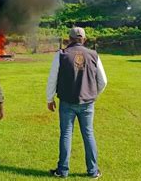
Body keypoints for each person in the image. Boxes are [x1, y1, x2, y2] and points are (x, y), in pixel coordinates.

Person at [46, 27, 107, 179]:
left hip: (67, 102)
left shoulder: (61, 54)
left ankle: (63, 170)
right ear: (84, 39)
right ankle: (92, 171)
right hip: (87, 102)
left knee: (66, 135)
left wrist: (49, 99)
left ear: (69, 38)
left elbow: (52, 79)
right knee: (88, 134)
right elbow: (103, 81)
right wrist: (94, 94)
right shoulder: (93, 54)